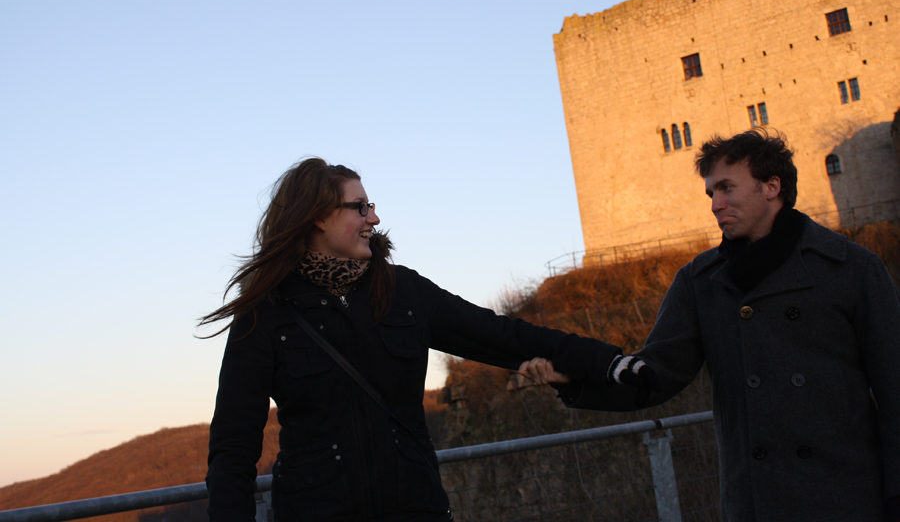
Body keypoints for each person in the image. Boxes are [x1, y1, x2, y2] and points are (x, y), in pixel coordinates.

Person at [200, 157, 649, 522]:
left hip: (415, 509)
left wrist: (609, 364)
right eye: (360, 207)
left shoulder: (402, 292)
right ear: (317, 216)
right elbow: (233, 448)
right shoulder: (266, 313)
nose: (374, 218)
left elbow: (503, 335)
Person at [520, 130, 900, 522]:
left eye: (726, 188)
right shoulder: (700, 281)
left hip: (848, 499)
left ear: (772, 187)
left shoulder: (852, 267)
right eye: (710, 193)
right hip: (755, 505)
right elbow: (657, 373)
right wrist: (574, 379)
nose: (715, 205)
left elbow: (894, 390)